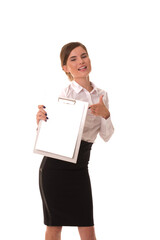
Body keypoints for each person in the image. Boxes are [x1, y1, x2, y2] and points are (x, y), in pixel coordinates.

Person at [36, 42, 114, 240]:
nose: (81, 61)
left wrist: (106, 115)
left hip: (80, 167)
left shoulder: (101, 95)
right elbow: (51, 135)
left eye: (84, 56)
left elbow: (106, 136)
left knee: (87, 227)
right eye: (73, 59)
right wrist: (41, 121)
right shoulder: (64, 94)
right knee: (54, 227)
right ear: (65, 67)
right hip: (55, 168)